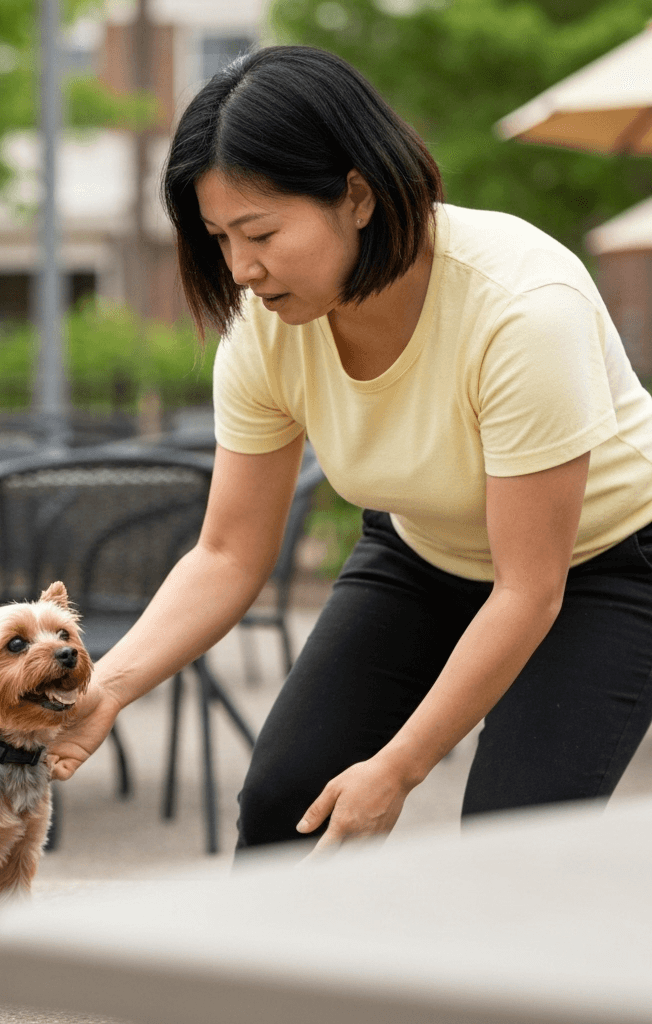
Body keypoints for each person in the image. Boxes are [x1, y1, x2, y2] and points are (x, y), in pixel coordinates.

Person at [47, 45, 652, 858]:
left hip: (603, 567)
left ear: (357, 196)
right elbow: (227, 553)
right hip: (421, 549)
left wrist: (397, 768)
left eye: (260, 232)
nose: (242, 268)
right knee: (286, 800)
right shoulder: (266, 330)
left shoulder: (523, 308)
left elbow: (527, 590)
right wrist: (110, 688)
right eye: (220, 238)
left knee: (511, 848)